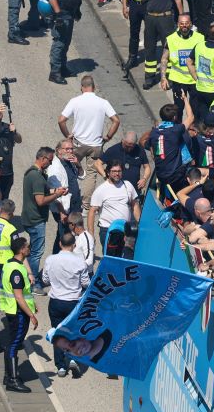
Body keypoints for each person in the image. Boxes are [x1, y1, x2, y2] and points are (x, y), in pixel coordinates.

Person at [59, 76, 121, 206]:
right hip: (96, 145)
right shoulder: (103, 102)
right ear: (94, 87)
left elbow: (61, 120)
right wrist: (108, 136)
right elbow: (116, 120)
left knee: (69, 168)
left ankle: (66, 196)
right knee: (91, 174)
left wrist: (68, 136)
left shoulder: (75, 101)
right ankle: (86, 203)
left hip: (78, 143)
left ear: (82, 87)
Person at [41, 229, 90, 377]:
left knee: (57, 332)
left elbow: (45, 280)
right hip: (73, 304)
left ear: (60, 244)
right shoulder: (80, 262)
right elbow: (86, 283)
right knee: (74, 332)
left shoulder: (50, 260)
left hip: (56, 302)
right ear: (74, 246)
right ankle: (72, 358)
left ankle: (60, 366)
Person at [22, 147, 69, 287]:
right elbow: (40, 201)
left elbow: (43, 191)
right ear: (42, 158)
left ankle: (27, 276)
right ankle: (34, 283)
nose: (50, 163)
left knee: (32, 250)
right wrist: (57, 195)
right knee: (37, 253)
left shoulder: (37, 174)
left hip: (32, 218)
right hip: (35, 219)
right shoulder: (36, 176)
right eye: (50, 160)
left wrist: (56, 190)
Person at [0, 233, 40, 392]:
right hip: (18, 313)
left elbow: (24, 292)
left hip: (12, 310)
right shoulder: (17, 271)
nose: (29, 248)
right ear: (22, 250)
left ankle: (9, 375)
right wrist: (31, 315)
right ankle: (13, 380)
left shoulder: (10, 264)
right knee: (14, 344)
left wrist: (33, 304)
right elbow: (18, 296)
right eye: (27, 246)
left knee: (11, 343)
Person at [46, 0, 83, 84]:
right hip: (60, 13)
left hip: (70, 13)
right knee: (59, 43)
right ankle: (54, 72)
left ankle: (62, 67)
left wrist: (76, 10)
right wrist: (58, 14)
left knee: (66, 42)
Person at [88, 162, 141, 246]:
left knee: (126, 256)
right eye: (114, 171)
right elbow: (92, 211)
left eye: (119, 171)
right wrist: (91, 234)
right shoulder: (101, 190)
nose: (117, 174)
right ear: (108, 173)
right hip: (108, 230)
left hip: (126, 230)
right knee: (111, 257)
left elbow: (135, 205)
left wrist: (140, 224)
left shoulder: (128, 185)